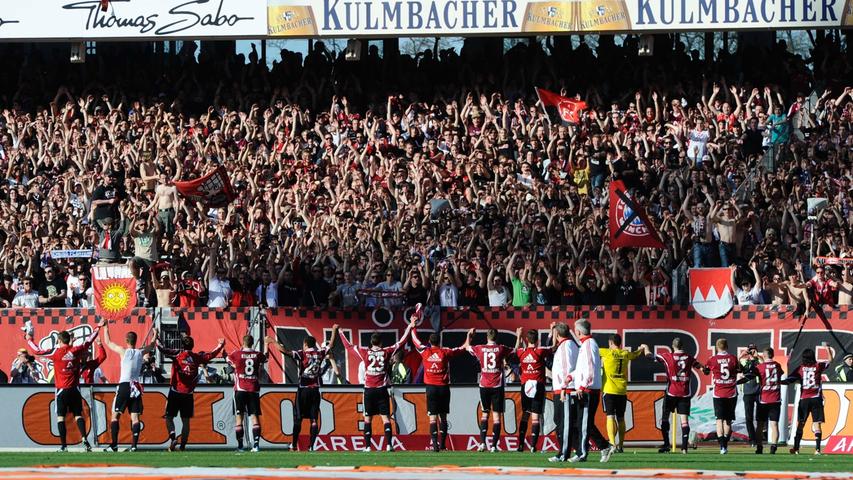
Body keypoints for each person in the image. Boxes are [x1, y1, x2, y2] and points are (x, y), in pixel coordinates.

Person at [25, 319, 104, 452]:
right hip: (75, 390)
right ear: (69, 340)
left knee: (60, 417)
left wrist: (29, 339)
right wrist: (98, 327)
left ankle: (63, 446)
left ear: (60, 341)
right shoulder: (76, 350)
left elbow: (37, 351)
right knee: (78, 415)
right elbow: (89, 340)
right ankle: (85, 440)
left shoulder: (56, 352)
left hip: (62, 390)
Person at [338, 318, 413, 452]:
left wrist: (340, 332)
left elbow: (348, 346)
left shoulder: (365, 353)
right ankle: (389, 445)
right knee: (385, 418)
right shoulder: (386, 351)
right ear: (381, 342)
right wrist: (410, 326)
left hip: (369, 391)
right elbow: (401, 342)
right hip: (382, 390)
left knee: (367, 419)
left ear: (371, 343)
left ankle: (367, 447)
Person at [266, 324, 339, 451]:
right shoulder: (320, 353)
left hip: (303, 389)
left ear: (305, 344)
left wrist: (272, 341)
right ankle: (311, 446)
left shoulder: (303, 354)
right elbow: (331, 345)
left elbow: (285, 351)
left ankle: (294, 445)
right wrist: (333, 330)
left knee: (298, 418)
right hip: (315, 390)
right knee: (314, 419)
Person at [157, 334, 225, 451]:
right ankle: (183, 446)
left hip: (175, 391)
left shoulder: (177, 354)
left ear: (182, 345)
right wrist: (220, 345)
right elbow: (211, 355)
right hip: (188, 394)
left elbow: (161, 349)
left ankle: (173, 437)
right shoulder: (196, 357)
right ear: (193, 346)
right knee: (186, 421)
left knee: (169, 417)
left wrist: (156, 338)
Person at [411, 318, 469, 452]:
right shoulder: (445, 352)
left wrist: (413, 326)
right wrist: (468, 337)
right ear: (439, 342)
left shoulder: (425, 351)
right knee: (443, 417)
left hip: (431, 388)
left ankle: (435, 446)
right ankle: (442, 445)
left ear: (430, 342)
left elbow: (415, 340)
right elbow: (462, 349)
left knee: (432, 417)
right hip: (443, 388)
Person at [566, 319, 615, 463]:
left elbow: (591, 368)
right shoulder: (586, 344)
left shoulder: (588, 345)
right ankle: (603, 446)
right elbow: (583, 368)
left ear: (579, 331)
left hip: (588, 390)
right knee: (584, 423)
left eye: (575, 329)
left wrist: (582, 386)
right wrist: (572, 376)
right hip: (586, 388)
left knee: (584, 423)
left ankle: (583, 452)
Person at [102, 324, 155, 452]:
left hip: (125, 385)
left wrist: (105, 328)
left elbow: (108, 342)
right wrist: (155, 334)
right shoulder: (140, 352)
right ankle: (134, 446)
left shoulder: (123, 351)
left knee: (115, 416)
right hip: (135, 386)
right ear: (135, 341)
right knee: (135, 417)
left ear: (126, 341)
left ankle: (114, 444)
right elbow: (152, 346)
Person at [466, 327, 517, 452]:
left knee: (484, 414)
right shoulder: (501, 348)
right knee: (496, 417)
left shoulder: (480, 348)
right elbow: (515, 350)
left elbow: (467, 347)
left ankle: (482, 443)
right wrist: (519, 336)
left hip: (484, 386)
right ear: (496, 337)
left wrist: (469, 335)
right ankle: (494, 446)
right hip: (497, 386)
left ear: (487, 337)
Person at [600, 334, 649, 453]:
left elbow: (588, 350)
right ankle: (621, 445)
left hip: (609, 390)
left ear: (611, 343)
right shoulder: (625, 354)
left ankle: (612, 444)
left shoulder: (606, 352)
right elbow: (636, 354)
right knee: (621, 418)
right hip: (622, 391)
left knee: (610, 416)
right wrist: (642, 348)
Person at [654, 337, 702, 454]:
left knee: (664, 418)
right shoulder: (689, 358)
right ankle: (684, 448)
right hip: (685, 393)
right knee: (684, 421)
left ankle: (666, 445)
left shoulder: (668, 356)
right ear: (682, 346)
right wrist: (705, 369)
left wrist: (645, 349)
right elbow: (700, 367)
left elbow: (650, 356)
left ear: (673, 346)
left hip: (671, 392)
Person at [783, 348, 829, 455]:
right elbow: (830, 360)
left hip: (804, 399)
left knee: (801, 424)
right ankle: (817, 450)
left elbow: (789, 380)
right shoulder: (818, 366)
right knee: (817, 424)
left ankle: (796, 448)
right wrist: (827, 348)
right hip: (816, 398)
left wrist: (780, 381)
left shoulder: (800, 368)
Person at [515, 327, 553, 453]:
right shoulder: (540, 351)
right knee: (535, 417)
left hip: (525, 386)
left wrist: (518, 336)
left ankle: (520, 445)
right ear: (537, 340)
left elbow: (516, 349)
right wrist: (553, 332)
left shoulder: (521, 352)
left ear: (527, 339)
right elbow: (553, 346)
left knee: (525, 415)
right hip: (538, 386)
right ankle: (532, 446)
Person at [226, 335, 267, 452]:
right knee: (254, 417)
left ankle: (240, 446)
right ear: (252, 343)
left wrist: (236, 365)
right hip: (253, 389)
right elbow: (265, 358)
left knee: (239, 418)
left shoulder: (237, 353)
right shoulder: (257, 354)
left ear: (243, 343)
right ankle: (256, 445)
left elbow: (228, 360)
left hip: (240, 389)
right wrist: (267, 345)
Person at [701, 338, 742, 454]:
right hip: (731, 393)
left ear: (716, 347)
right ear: (727, 346)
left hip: (718, 393)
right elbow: (739, 369)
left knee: (719, 419)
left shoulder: (712, 359)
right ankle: (725, 444)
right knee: (728, 421)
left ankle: (722, 446)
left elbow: (706, 371)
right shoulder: (733, 358)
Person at [548, 322, 578, 463]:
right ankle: (576, 450)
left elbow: (567, 368)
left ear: (558, 334)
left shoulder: (566, 346)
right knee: (561, 421)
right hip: (561, 388)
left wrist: (564, 388)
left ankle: (563, 453)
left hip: (564, 389)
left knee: (563, 423)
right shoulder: (567, 345)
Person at [751, 347, 784, 455]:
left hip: (764, 399)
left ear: (764, 355)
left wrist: (755, 358)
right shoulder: (777, 365)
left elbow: (757, 371)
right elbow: (779, 372)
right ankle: (773, 447)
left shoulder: (760, 367)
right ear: (772, 355)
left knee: (760, 425)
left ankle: (759, 447)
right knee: (774, 425)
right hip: (775, 399)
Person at [739, 344, 761, 447]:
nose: (752, 352)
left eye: (754, 350)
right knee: (749, 417)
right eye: (750, 350)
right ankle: (752, 439)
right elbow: (736, 367)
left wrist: (757, 356)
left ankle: (758, 438)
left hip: (758, 391)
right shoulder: (744, 361)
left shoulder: (759, 360)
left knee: (760, 417)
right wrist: (740, 356)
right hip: (747, 392)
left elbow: (765, 364)